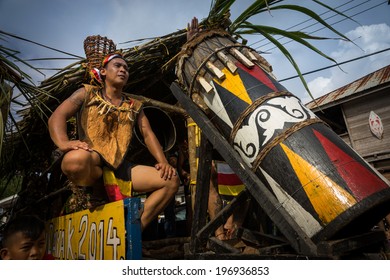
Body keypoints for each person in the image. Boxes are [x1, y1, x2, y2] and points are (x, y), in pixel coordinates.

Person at [48, 40, 179, 231]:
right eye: (117, 66)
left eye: (126, 68)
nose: (123, 70)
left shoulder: (133, 105)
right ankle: (98, 187)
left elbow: (147, 133)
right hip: (92, 158)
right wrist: (64, 143)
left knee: (171, 179)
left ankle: (132, 231)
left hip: (119, 166)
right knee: (73, 161)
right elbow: (57, 116)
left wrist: (163, 161)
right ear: (103, 72)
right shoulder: (87, 93)